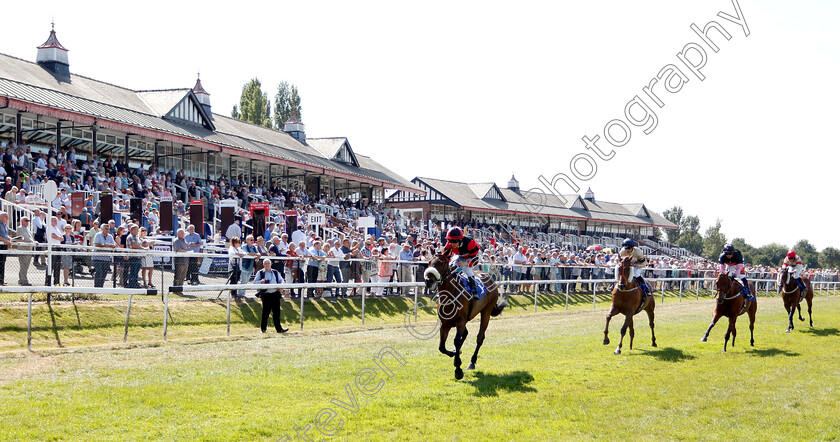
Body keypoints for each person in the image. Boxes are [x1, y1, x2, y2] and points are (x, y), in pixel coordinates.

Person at [441, 227, 481, 294]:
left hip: (473, 256)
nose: (452, 243)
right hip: (461, 255)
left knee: (467, 269)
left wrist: (466, 263)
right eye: (450, 240)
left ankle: (474, 290)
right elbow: (446, 256)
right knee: (452, 266)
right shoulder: (449, 244)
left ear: (460, 240)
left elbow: (475, 260)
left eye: (454, 241)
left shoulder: (470, 242)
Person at [254, 258, 289, 334]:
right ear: (263, 265)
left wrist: (281, 287)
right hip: (266, 295)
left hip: (275, 294)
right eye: (265, 263)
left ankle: (279, 329)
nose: (267, 265)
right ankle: (263, 329)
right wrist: (261, 282)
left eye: (268, 263)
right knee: (265, 313)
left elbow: (281, 281)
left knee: (277, 313)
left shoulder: (275, 272)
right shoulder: (260, 273)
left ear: (271, 264)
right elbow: (255, 282)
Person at [92, 223, 116, 288]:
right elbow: (96, 244)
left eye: (108, 229)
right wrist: (104, 246)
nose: (108, 230)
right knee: (99, 271)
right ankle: (96, 287)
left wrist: (112, 245)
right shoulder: (98, 235)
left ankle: (101, 287)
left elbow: (114, 244)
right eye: (106, 229)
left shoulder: (110, 236)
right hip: (97, 257)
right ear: (102, 229)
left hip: (106, 258)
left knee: (104, 273)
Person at [14, 216, 35, 286]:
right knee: (23, 265)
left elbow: (30, 238)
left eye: (28, 221)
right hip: (23, 249)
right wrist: (33, 242)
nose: (27, 222)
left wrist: (33, 241)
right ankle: (24, 281)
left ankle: (21, 280)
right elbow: (25, 238)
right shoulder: (20, 228)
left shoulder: (27, 229)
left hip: (28, 249)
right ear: (22, 221)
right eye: (26, 220)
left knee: (26, 266)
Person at [0, 212, 10, 285]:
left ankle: (1, 280)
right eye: (5, 216)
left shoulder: (6, 225)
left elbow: (5, 235)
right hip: (0, 245)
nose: (7, 218)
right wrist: (5, 240)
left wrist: (10, 239)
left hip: (4, 246)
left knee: (3, 263)